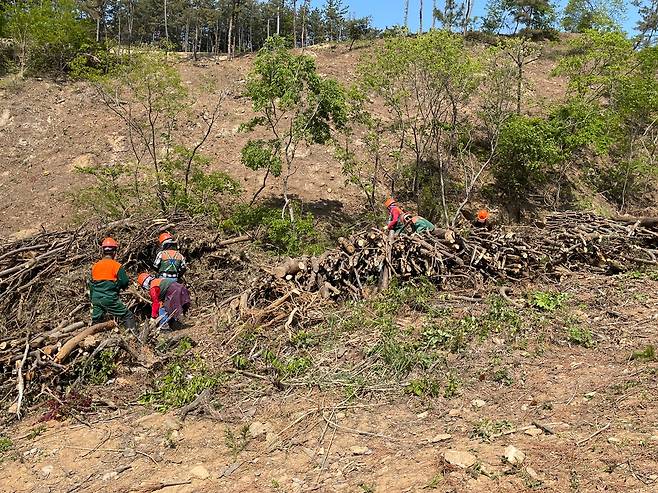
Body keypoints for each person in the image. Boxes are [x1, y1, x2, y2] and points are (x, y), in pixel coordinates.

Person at [90, 237, 135, 331]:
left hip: (95, 299)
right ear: (114, 252)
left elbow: (92, 285)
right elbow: (124, 282)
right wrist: (120, 286)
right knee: (128, 316)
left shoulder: (95, 266)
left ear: (103, 251)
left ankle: (91, 338)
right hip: (109, 298)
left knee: (96, 321)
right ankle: (132, 337)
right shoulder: (116, 266)